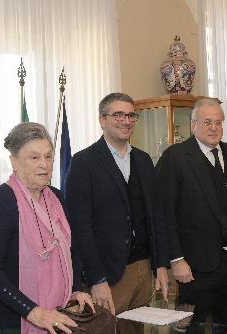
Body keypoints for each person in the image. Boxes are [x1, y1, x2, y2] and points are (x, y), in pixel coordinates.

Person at [65, 92, 168, 333]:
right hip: (108, 274)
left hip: (143, 268)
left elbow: (156, 217)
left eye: (131, 115)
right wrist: (96, 279)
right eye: (118, 114)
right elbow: (80, 228)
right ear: (102, 120)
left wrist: (160, 265)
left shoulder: (143, 160)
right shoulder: (84, 163)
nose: (126, 120)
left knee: (134, 330)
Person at [0, 122, 93, 334]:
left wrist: (76, 289)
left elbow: (69, 250)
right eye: (34, 157)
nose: (44, 164)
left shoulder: (56, 197)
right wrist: (34, 312)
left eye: (48, 156)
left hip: (58, 314)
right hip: (13, 320)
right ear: (14, 162)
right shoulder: (0, 202)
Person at [156, 98, 227, 332]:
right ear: (193, 125)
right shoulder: (175, 157)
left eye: (218, 122)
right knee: (194, 327)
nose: (214, 127)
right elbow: (165, 213)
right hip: (194, 265)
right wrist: (176, 259)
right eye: (207, 122)